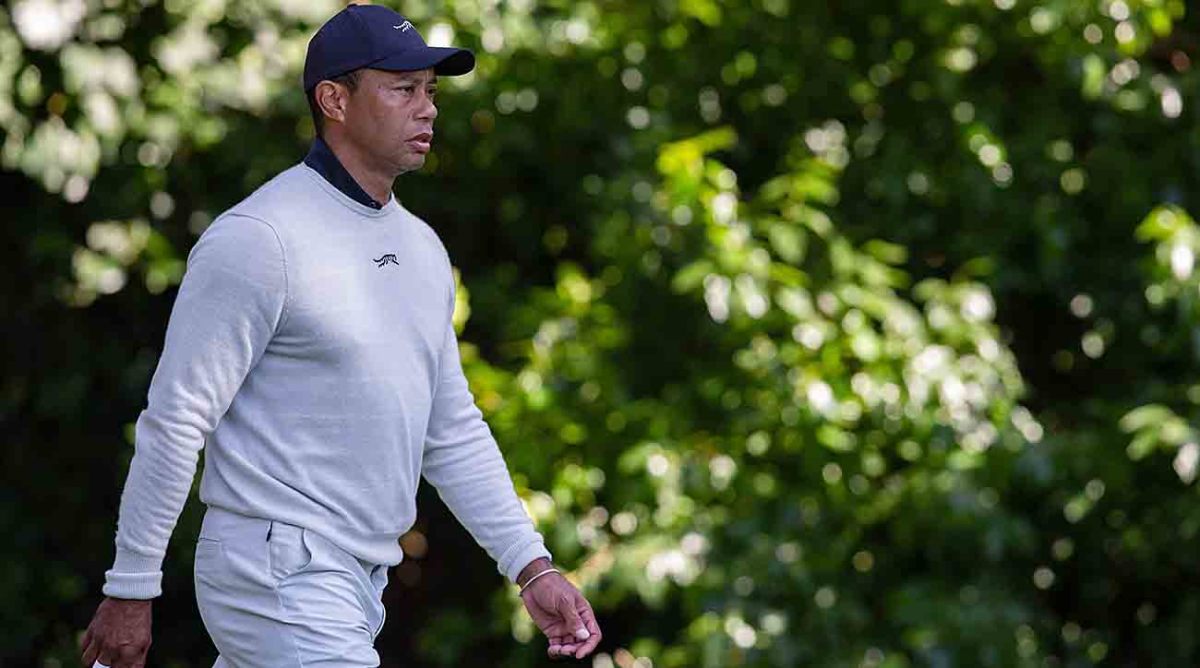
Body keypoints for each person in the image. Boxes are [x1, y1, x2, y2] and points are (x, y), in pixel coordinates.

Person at [79, 5, 602, 667]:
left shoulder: (418, 249)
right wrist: (132, 586)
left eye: (431, 92)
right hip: (277, 571)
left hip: (356, 580)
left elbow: (450, 427)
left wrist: (532, 566)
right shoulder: (260, 239)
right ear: (334, 100)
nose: (428, 109)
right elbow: (177, 420)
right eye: (403, 89)